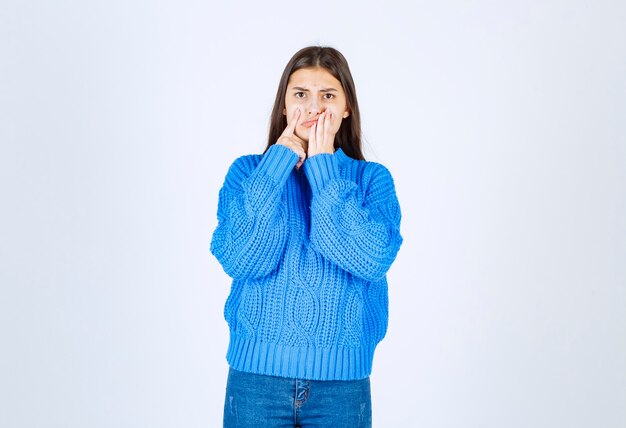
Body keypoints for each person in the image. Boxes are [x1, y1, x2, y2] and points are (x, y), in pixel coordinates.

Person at [210, 45, 403, 428]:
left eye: (327, 96)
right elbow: (243, 258)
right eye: (301, 95)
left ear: (346, 106)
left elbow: (372, 258)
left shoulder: (371, 180)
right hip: (256, 382)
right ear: (284, 105)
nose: (313, 109)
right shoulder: (248, 173)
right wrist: (277, 165)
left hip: (341, 388)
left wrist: (323, 168)